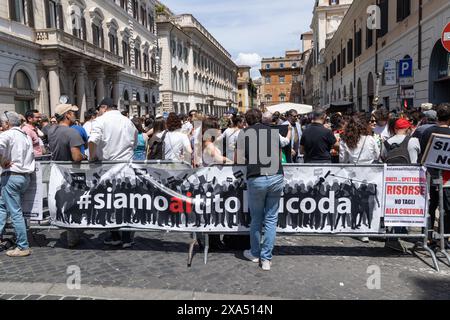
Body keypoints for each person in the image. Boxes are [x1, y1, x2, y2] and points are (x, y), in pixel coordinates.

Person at [236, 108, 286, 271]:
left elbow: (238, 159)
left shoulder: (243, 134)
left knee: (256, 218)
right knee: (271, 219)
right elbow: (281, 150)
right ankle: (266, 259)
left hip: (256, 177)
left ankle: (255, 252)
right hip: (275, 175)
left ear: (246, 120)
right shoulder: (272, 131)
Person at [89, 98, 137, 248]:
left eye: (99, 108)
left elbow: (92, 140)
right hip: (127, 169)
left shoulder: (100, 121)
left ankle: (115, 235)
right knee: (126, 203)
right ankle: (127, 238)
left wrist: (92, 157)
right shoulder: (128, 121)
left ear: (104, 107)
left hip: (108, 169)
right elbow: (134, 142)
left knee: (109, 204)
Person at [47, 104, 86, 247]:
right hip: (71, 173)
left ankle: (69, 231)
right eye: (73, 113)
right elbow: (76, 157)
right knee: (74, 204)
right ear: (67, 115)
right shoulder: (72, 133)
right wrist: (84, 155)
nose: (75, 115)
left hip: (57, 172)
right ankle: (73, 236)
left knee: (63, 202)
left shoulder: (51, 131)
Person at [0, 111, 35, 257]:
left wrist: (2, 162)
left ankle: (23, 246)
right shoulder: (25, 136)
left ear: (7, 123)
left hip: (12, 176)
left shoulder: (7, 134)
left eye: (2, 123)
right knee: (2, 207)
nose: (1, 126)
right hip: (24, 177)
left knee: (15, 212)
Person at [420, 104, 450, 244]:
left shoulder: (427, 132)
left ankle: (429, 235)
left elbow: (423, 153)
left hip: (430, 175)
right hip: (447, 178)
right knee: (447, 208)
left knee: (431, 206)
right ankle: (445, 237)